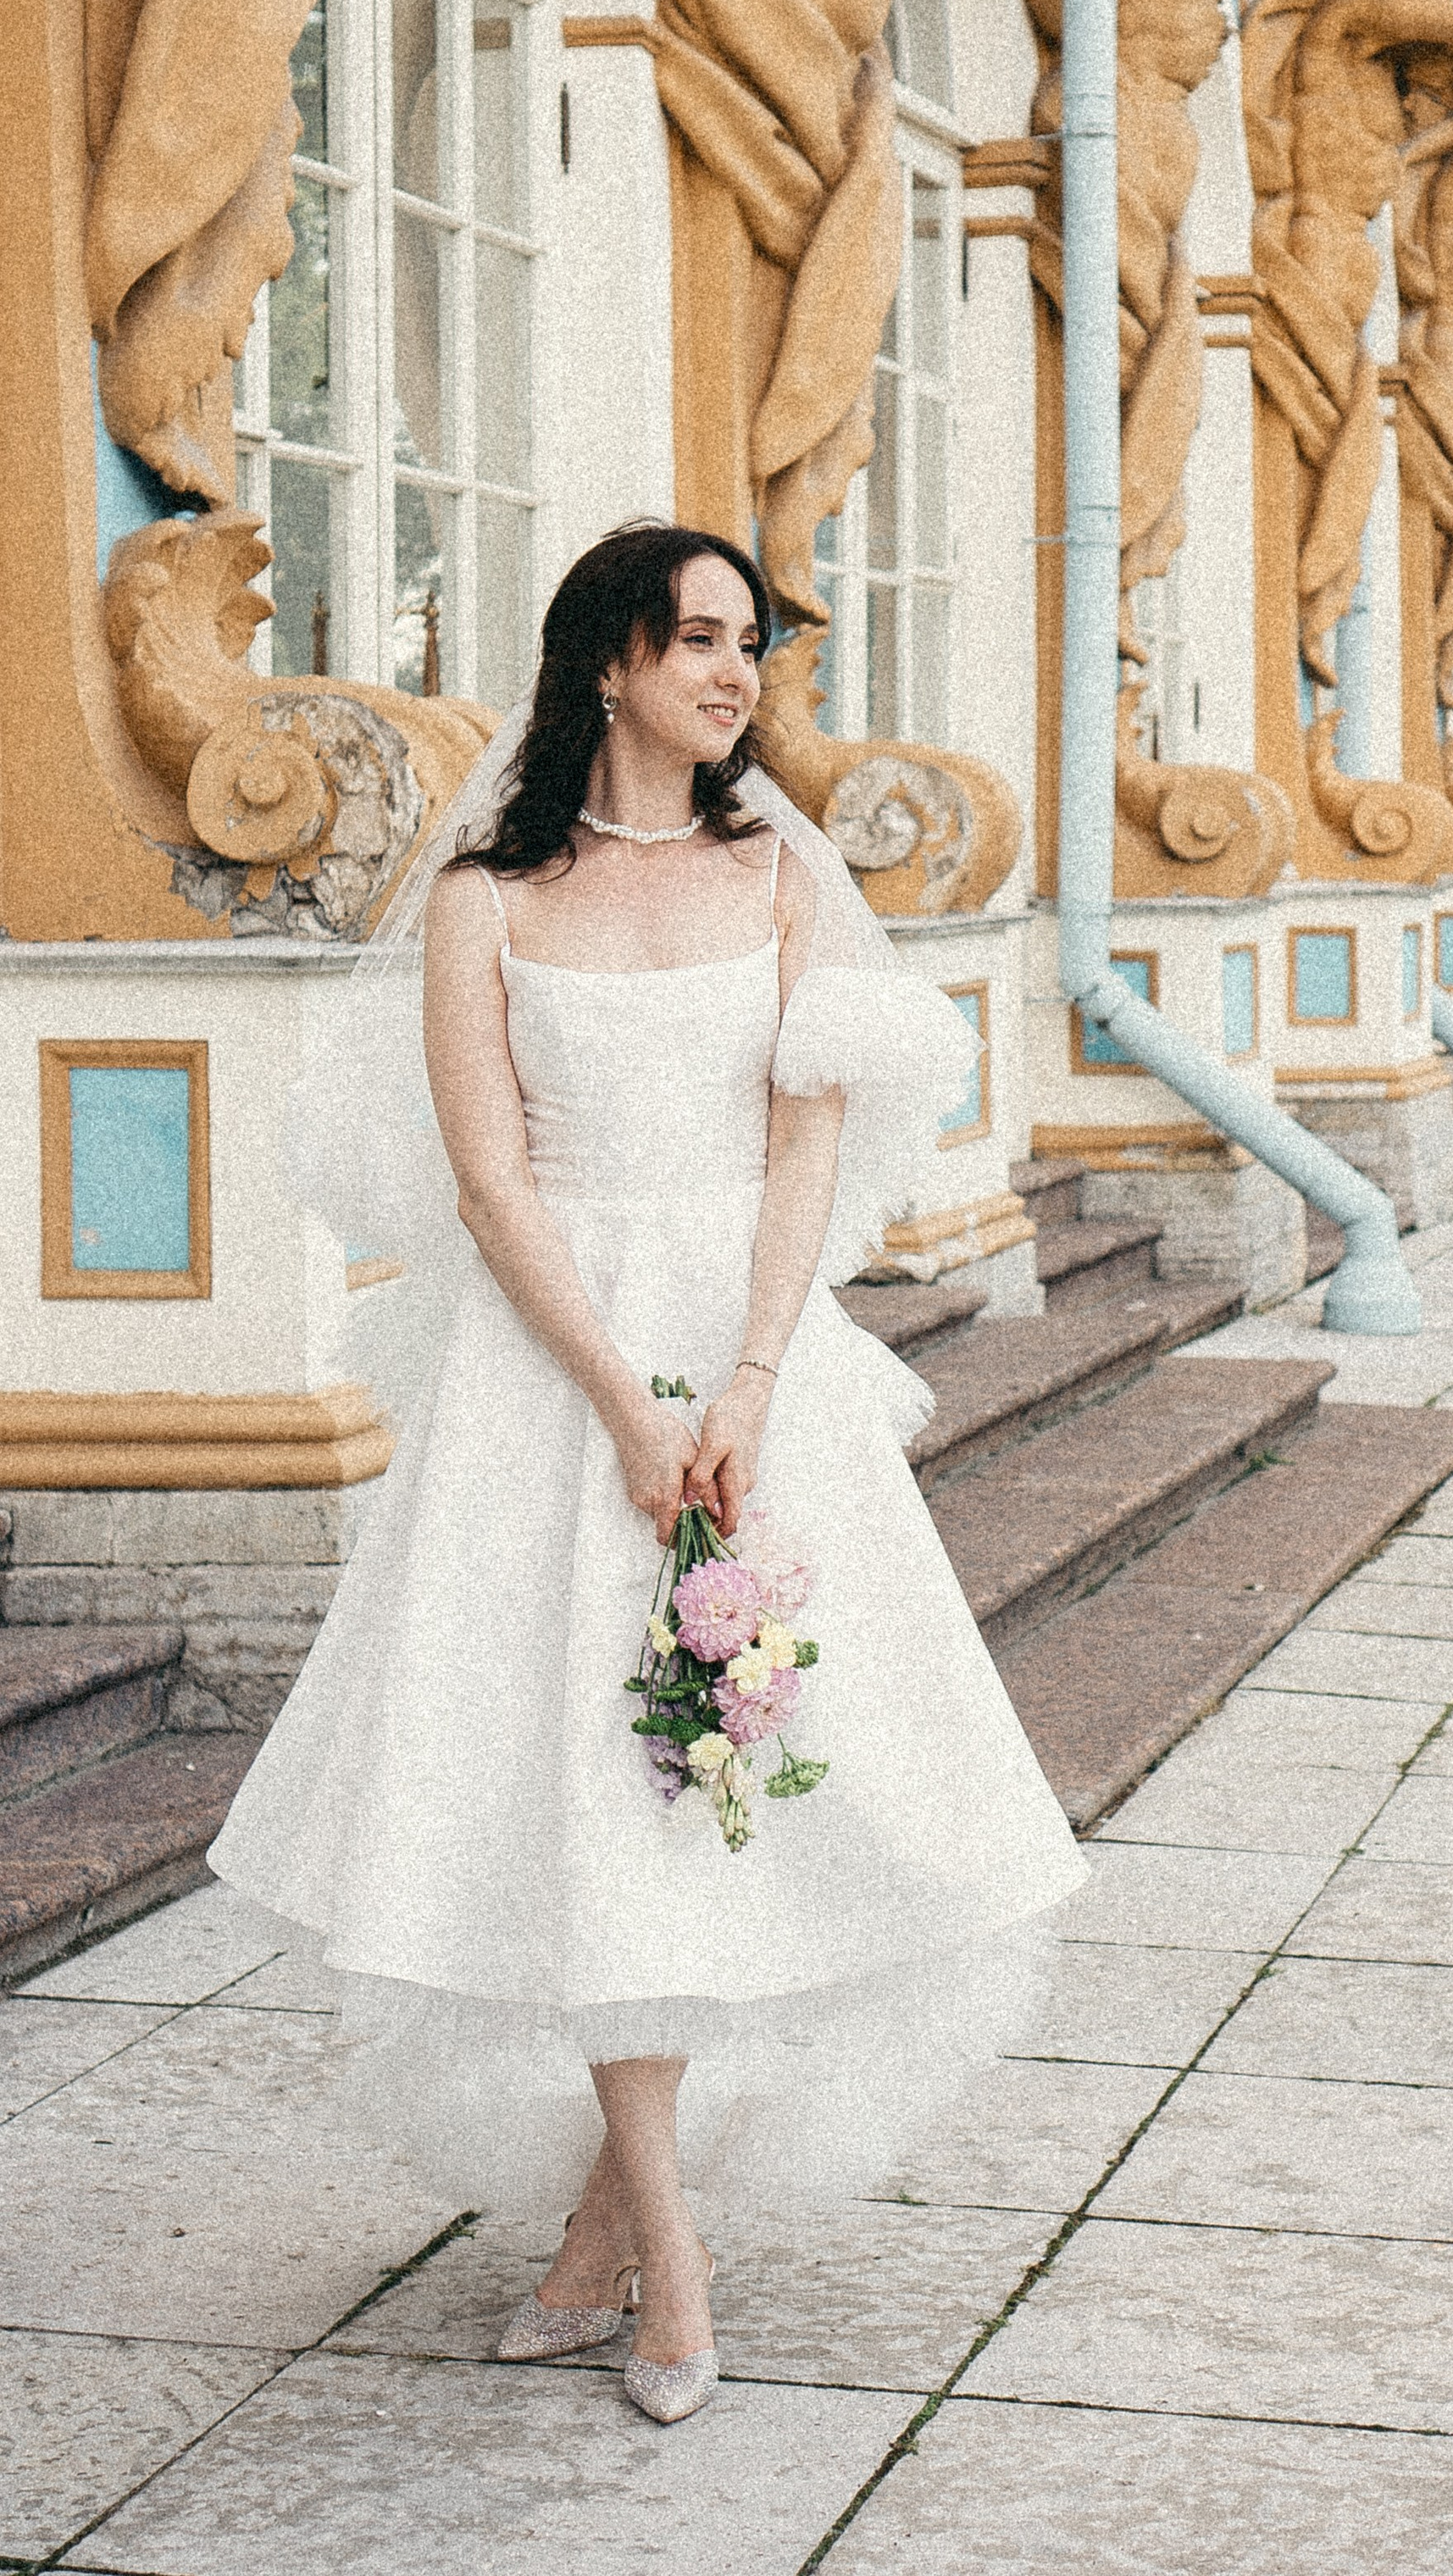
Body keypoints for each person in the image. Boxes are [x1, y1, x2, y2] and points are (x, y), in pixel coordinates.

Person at [209, 523, 1088, 2423]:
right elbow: (490, 1182)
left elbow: (801, 1155)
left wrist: (751, 1382)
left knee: (722, 1782)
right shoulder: (483, 899)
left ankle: (607, 2234)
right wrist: (621, 1402)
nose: (734, 674)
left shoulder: (780, 871)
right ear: (608, 659)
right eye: (698, 639)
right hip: (552, 1380)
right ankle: (669, 2266)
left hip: (757, 1366)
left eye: (749, 644)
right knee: (597, 1801)